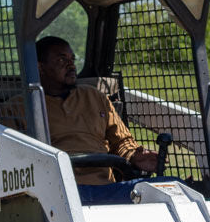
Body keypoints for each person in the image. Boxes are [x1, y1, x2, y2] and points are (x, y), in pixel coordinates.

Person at [35, 36, 159, 203]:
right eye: (61, 59)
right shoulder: (21, 108)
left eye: (72, 59)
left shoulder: (94, 97)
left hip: (107, 188)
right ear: (40, 67)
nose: (71, 65)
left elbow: (122, 142)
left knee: (172, 188)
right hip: (59, 194)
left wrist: (134, 156)